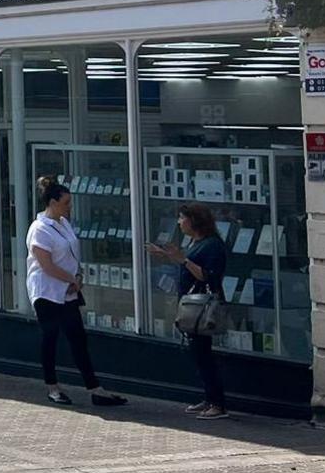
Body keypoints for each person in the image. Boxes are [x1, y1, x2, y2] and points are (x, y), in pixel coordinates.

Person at [27, 176, 126, 407]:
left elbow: (72, 254)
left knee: (78, 338)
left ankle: (95, 388)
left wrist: (78, 276)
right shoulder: (40, 228)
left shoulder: (63, 223)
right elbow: (46, 264)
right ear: (52, 202)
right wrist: (72, 279)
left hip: (68, 289)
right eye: (66, 203)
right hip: (47, 291)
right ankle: (52, 387)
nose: (69, 207)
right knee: (50, 337)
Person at [149, 201, 230, 419]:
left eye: (182, 218)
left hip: (202, 307)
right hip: (190, 304)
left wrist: (183, 260)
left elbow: (207, 275)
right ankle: (208, 398)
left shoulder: (212, 245)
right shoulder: (196, 242)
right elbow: (187, 263)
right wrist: (168, 256)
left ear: (194, 221)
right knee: (198, 354)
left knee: (204, 355)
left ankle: (218, 404)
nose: (179, 222)